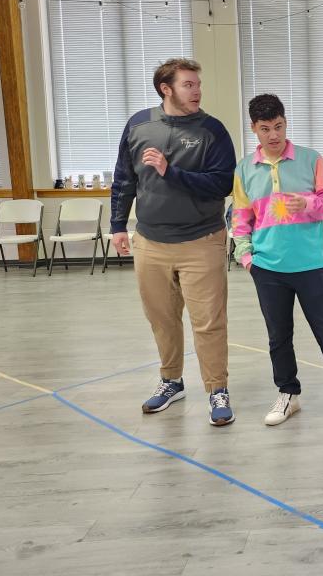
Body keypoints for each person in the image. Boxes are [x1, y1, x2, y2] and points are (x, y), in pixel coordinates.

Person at [110, 58, 237, 426]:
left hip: (203, 240)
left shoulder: (212, 130)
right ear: (166, 89)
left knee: (209, 322)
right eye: (188, 85)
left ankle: (217, 389)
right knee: (162, 320)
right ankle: (171, 382)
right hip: (151, 242)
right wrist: (119, 224)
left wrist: (172, 172)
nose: (197, 91)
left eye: (198, 84)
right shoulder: (138, 125)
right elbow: (123, 178)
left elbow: (221, 184)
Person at [232, 93, 323, 429]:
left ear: (285, 123)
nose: (274, 135)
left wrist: (306, 204)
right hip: (268, 268)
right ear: (254, 130)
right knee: (278, 336)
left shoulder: (310, 159)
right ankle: (288, 394)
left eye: (278, 126)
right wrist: (246, 257)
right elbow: (240, 216)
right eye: (265, 129)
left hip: (310, 265)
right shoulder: (245, 169)